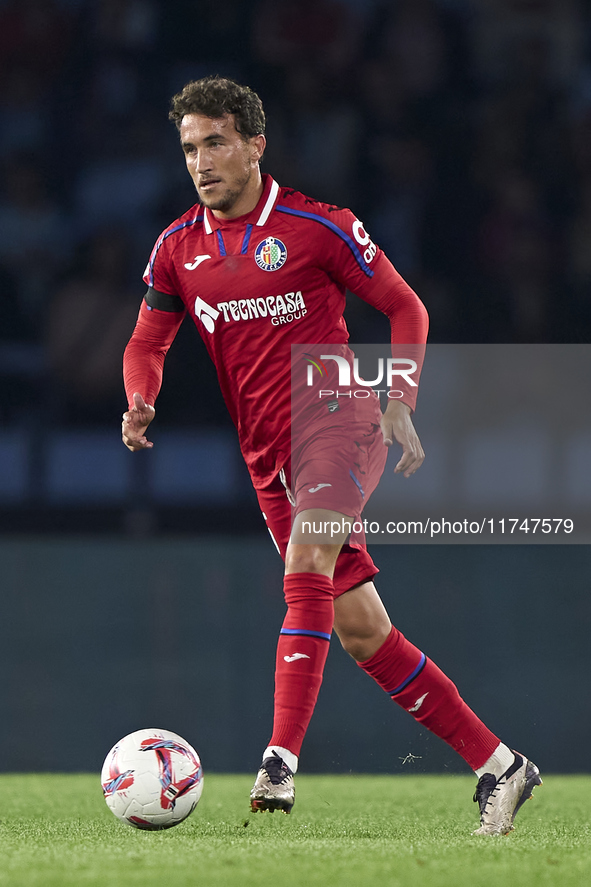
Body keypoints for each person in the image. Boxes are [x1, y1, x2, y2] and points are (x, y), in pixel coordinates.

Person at [121, 75, 541, 835]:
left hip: (338, 418)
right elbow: (148, 338)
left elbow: (403, 305)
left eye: (215, 142)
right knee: (358, 629)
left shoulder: (319, 227)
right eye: (189, 148)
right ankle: (500, 765)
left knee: (303, 567)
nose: (201, 161)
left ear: (255, 143)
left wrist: (399, 399)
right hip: (267, 456)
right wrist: (141, 394)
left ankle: (279, 758)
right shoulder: (177, 247)